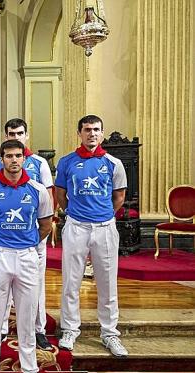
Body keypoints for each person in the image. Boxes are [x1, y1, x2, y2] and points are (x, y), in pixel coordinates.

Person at [0, 139, 53, 373]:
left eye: (18, 155)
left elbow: (45, 225)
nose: (14, 160)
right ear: (1, 159)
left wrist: (27, 244)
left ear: (24, 158)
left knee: (27, 318)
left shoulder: (38, 190)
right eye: (9, 156)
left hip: (27, 257)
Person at [54, 115, 128, 357]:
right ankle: (69, 329)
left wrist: (103, 215)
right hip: (76, 227)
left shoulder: (113, 163)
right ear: (79, 133)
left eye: (96, 130)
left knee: (107, 282)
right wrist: (76, 213)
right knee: (71, 281)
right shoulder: (66, 162)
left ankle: (109, 333)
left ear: (102, 133)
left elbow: (118, 197)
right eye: (87, 130)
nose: (92, 134)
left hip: (105, 227)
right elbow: (61, 194)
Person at [0, 118, 55, 350]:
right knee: (0, 290)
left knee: (34, 287)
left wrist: (34, 240)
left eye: (20, 133)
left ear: (26, 135)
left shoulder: (39, 163)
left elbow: (48, 201)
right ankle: (1, 328)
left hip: (31, 237)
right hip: (2, 241)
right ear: (5, 138)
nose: (16, 137)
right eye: (11, 134)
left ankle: (38, 328)